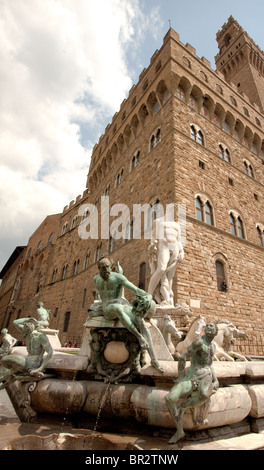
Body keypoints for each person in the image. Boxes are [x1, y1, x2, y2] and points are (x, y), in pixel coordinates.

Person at [89, 257, 163, 371]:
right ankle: (140, 338)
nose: (107, 270)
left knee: (140, 321)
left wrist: (148, 296)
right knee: (117, 308)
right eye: (103, 268)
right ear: (99, 269)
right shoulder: (96, 279)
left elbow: (136, 290)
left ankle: (154, 359)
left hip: (121, 306)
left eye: (108, 267)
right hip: (108, 310)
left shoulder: (118, 278)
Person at [165, 322, 219, 444]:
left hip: (206, 376)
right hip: (192, 376)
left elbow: (209, 366)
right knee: (169, 399)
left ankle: (183, 407)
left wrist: (215, 379)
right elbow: (183, 357)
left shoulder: (213, 346)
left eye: (212, 326)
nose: (209, 327)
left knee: (204, 395)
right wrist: (180, 378)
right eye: (208, 326)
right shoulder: (199, 342)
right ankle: (179, 431)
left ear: (216, 332)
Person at [0, 317, 53, 388]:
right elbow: (15, 322)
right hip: (26, 362)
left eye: (24, 328)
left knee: (4, 360)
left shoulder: (41, 336)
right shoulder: (27, 335)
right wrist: (29, 319)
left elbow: (50, 352)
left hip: (33, 364)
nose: (22, 330)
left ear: (27, 329)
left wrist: (39, 369)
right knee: (7, 371)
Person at [148, 217, 184, 306]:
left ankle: (167, 298)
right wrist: (153, 245)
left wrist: (182, 251)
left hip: (175, 247)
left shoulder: (177, 225)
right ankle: (149, 295)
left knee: (170, 276)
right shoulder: (158, 221)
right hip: (164, 246)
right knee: (161, 269)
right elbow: (153, 236)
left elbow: (179, 240)